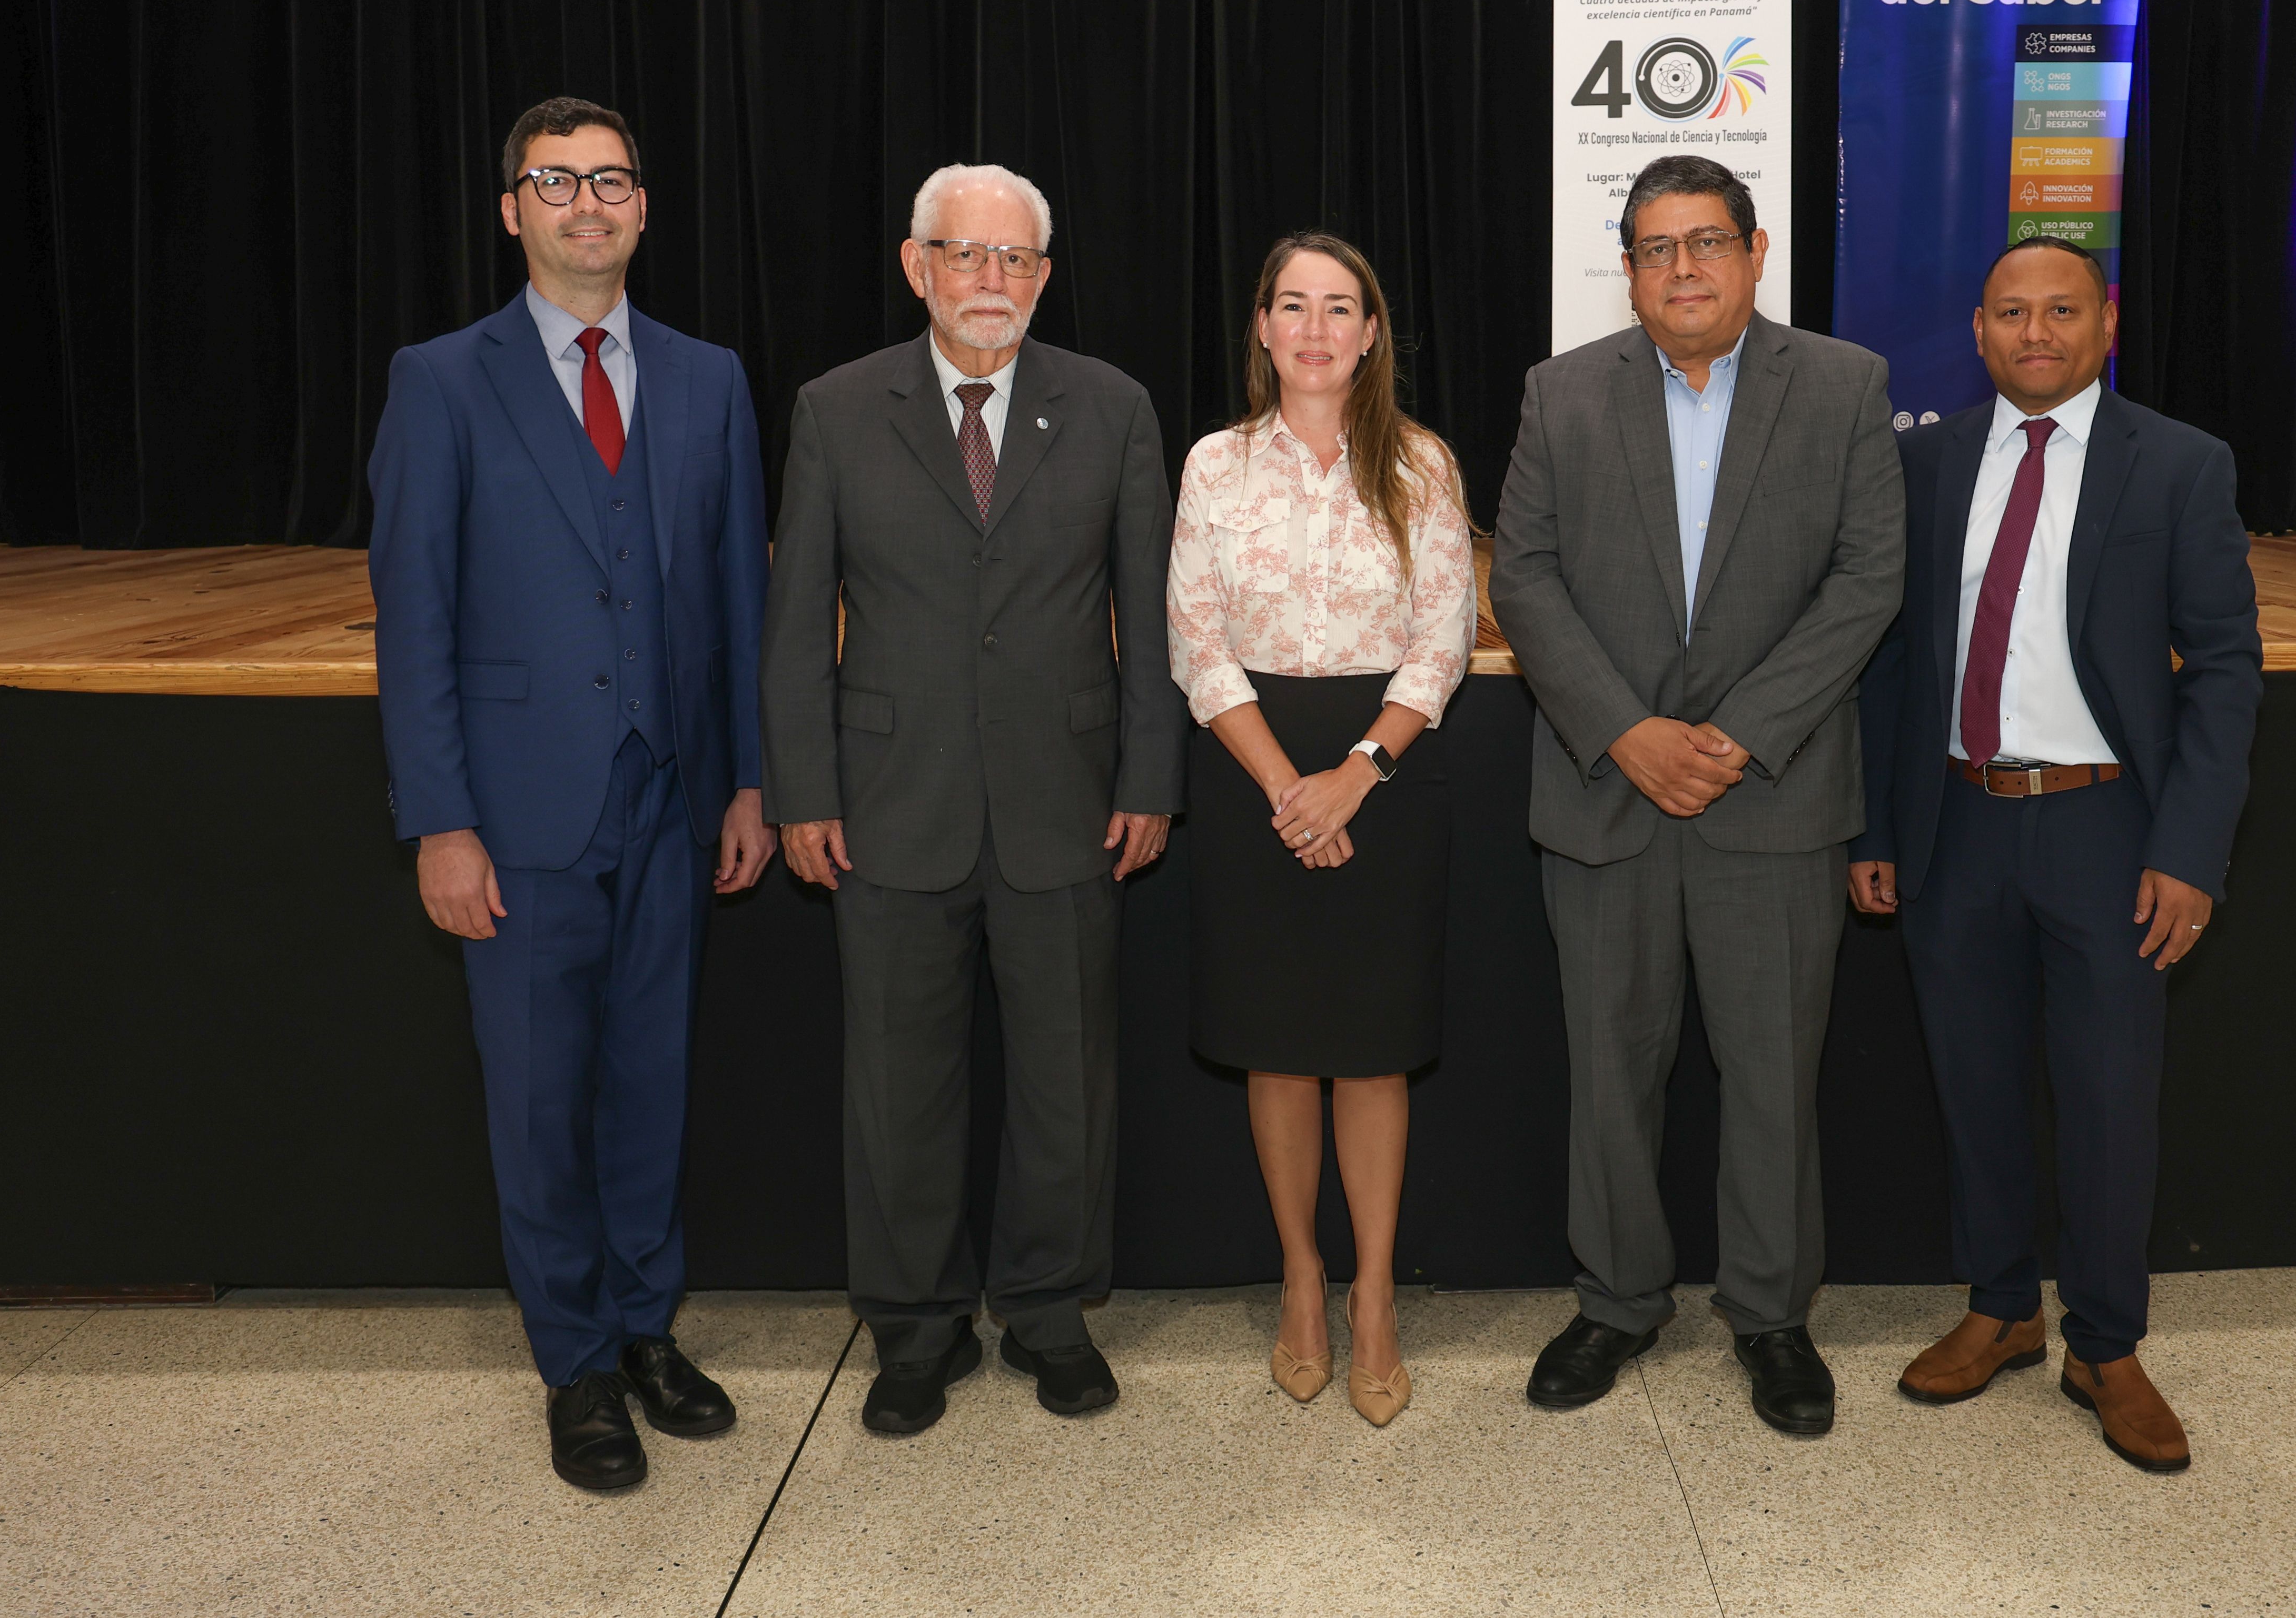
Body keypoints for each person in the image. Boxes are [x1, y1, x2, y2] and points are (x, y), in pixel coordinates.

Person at [369, 96, 777, 1492]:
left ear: (644, 207)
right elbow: (415, 616)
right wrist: (440, 819)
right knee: (540, 1102)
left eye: (610, 180)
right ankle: (576, 1362)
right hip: (518, 809)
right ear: (513, 211)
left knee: (648, 1082)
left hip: (672, 797)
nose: (586, 203)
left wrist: (749, 779)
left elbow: (738, 600)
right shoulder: (441, 381)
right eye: (556, 182)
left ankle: (647, 1324)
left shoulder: (709, 378)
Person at [760, 162, 1184, 1435]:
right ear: (917, 266)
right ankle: (915, 1327)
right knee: (898, 1088)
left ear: (1044, 275)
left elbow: (1151, 613)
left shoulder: (1112, 408)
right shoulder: (837, 409)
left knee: (1066, 1081)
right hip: (889, 801)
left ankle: (1050, 1312)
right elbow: (797, 621)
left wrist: (1151, 775)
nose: (990, 280)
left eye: (1015, 259)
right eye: (965, 254)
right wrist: (801, 788)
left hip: (1071, 799)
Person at [1489, 153, 1905, 1437]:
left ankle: (1770, 1315)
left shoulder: (1842, 385)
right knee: (1608, 1071)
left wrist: (1736, 734)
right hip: (1605, 795)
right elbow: (1523, 576)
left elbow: (1867, 577)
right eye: (1657, 247)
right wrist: (1627, 734)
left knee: (1773, 1073)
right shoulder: (1560, 393)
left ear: (1754, 251)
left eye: (1707, 241)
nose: (1683, 268)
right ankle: (1616, 1300)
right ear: (1627, 269)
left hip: (1770, 794)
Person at [1851, 236, 2261, 1474]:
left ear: (2105, 322)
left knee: (2107, 1097)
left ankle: (2107, 1342)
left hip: (2108, 828)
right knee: (1971, 1083)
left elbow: (2224, 669)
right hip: (1954, 819)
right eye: (2011, 312)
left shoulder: (2179, 464)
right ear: (1978, 330)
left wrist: (2189, 849)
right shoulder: (1922, 462)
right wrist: (1875, 829)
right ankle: (1998, 1308)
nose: (2036, 331)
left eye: (2061, 310)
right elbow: (1888, 661)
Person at [1165, 232, 1475, 1427]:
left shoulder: (1423, 464)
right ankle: (1302, 1275)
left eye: (1339, 307)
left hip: (1385, 769)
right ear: (1261, 326)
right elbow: (1195, 639)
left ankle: (1375, 1290)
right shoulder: (1215, 464)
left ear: (1370, 332)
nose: (1314, 328)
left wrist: (1353, 776)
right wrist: (1289, 788)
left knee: (1374, 1048)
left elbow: (1442, 640)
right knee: (1278, 1046)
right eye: (1292, 305)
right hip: (1251, 764)